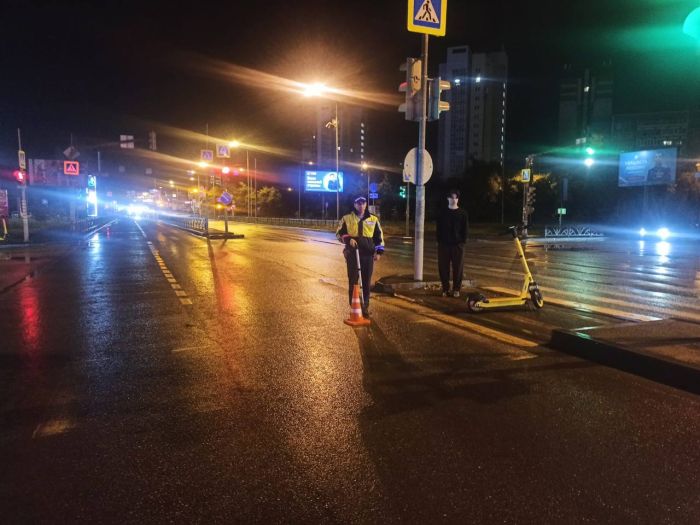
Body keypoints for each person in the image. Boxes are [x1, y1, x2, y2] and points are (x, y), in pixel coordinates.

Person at [336, 196, 384, 318]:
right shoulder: (347, 218)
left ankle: (365, 306)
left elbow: (379, 237)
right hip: (353, 254)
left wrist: (379, 252)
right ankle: (354, 306)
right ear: (354, 205)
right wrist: (348, 239)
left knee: (366, 282)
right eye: (358, 203)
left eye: (363, 203)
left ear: (366, 204)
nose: (361, 205)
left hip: (367, 256)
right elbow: (339, 233)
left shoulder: (373, 219)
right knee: (353, 281)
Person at [436, 189, 468, 297]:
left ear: (458, 199)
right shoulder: (442, 212)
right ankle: (445, 289)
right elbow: (438, 228)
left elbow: (465, 229)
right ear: (448, 199)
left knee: (458, 268)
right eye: (451, 197)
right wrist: (439, 241)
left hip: (457, 245)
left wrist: (462, 242)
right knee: (443, 268)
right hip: (444, 244)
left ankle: (456, 289)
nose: (454, 200)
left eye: (456, 197)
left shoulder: (462, 213)